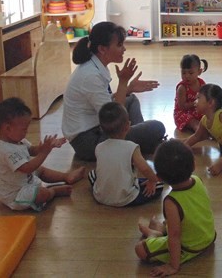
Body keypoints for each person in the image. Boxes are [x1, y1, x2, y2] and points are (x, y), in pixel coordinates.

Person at [62, 21, 166, 161]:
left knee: (131, 99)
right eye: (119, 45)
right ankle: (137, 145)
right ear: (102, 49)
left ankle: (134, 145)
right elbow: (114, 118)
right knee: (157, 127)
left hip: (98, 127)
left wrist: (128, 89)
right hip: (89, 142)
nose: (124, 49)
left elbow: (109, 105)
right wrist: (123, 82)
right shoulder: (90, 75)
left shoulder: (95, 66)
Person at [135, 140, 216, 276]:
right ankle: (159, 230)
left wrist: (173, 266)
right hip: (209, 236)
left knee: (140, 249)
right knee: (173, 220)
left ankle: (154, 234)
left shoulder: (171, 202)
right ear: (194, 165)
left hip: (189, 247)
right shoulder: (197, 180)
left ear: (159, 178)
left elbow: (174, 236)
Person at [0, 97, 85, 211]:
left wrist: (45, 146)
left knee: (41, 170)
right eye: (24, 129)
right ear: (8, 128)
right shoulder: (7, 151)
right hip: (16, 194)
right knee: (42, 194)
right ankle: (53, 192)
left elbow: (31, 150)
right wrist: (45, 152)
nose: (26, 132)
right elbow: (27, 168)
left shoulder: (16, 140)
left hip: (26, 180)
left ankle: (67, 176)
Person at [88, 102, 164, 207]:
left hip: (100, 197)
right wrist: (152, 180)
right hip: (126, 198)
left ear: (101, 128)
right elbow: (145, 169)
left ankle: (104, 192)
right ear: (128, 126)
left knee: (92, 174)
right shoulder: (131, 147)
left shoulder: (99, 147)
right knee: (159, 184)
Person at [173, 54, 208, 133]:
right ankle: (200, 132)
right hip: (183, 113)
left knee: (210, 116)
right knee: (193, 122)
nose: (187, 76)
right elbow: (182, 107)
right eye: (184, 73)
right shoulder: (182, 88)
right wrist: (195, 103)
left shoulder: (202, 84)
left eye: (191, 73)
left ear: (199, 72)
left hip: (197, 110)